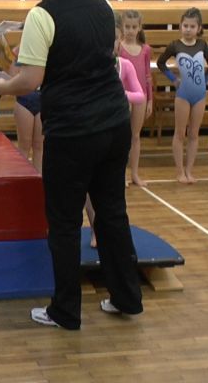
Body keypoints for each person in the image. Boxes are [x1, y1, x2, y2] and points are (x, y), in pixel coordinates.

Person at [0, 0, 142, 330]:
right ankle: (127, 298)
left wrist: (1, 86)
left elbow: (29, 80)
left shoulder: (42, 15)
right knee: (112, 213)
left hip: (73, 131)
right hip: (115, 124)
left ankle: (65, 311)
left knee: (63, 221)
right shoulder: (103, 6)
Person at [87, 16, 145, 249]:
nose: (109, 44)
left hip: (115, 130)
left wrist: (119, 93)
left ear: (119, 41)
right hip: (93, 128)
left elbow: (139, 95)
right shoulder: (90, 64)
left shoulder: (125, 65)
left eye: (113, 40)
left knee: (111, 187)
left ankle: (110, 231)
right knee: (89, 184)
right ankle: (95, 229)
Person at [157, 8, 208, 184]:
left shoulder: (202, 45)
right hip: (183, 94)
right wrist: (173, 79)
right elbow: (161, 63)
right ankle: (179, 171)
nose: (188, 29)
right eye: (185, 26)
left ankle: (189, 170)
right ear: (180, 26)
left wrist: (204, 80)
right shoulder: (175, 45)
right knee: (180, 133)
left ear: (199, 28)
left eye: (192, 26)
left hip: (200, 94)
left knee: (194, 134)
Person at [117, 9, 153, 186]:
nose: (130, 31)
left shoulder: (145, 49)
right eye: (127, 27)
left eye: (133, 27)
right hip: (124, 96)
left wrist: (150, 99)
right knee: (122, 136)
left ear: (139, 28)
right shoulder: (119, 47)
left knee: (136, 136)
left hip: (141, 96)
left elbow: (147, 76)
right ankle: (121, 173)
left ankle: (135, 174)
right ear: (122, 27)